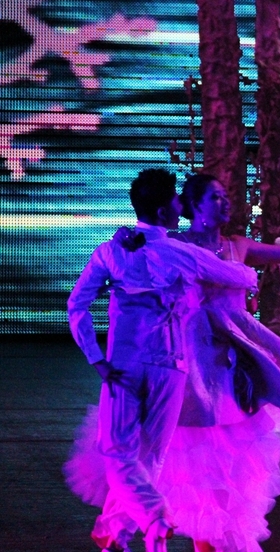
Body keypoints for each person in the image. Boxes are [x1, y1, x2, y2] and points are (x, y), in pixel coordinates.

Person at [66, 169, 259, 552]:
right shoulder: (181, 253)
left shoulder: (113, 251)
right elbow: (243, 278)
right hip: (170, 366)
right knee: (151, 456)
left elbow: (77, 305)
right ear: (162, 211)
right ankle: (138, 530)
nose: (180, 207)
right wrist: (232, 263)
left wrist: (95, 358)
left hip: (123, 365)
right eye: (175, 202)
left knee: (119, 452)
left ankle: (147, 521)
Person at [164, 172, 280, 552]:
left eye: (225, 196)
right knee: (197, 439)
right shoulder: (178, 244)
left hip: (236, 349)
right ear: (195, 205)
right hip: (196, 349)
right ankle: (198, 526)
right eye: (215, 197)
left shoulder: (236, 245)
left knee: (235, 438)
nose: (225, 202)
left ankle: (225, 525)